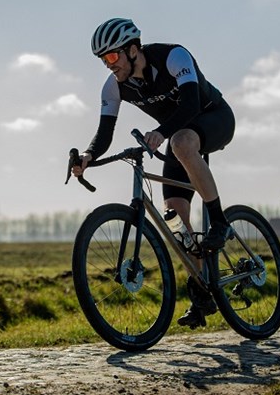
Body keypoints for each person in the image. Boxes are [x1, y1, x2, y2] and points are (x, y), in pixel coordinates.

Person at [72, 17, 235, 328]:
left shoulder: (173, 57)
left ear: (133, 50)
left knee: (181, 140)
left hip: (214, 118)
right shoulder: (114, 86)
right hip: (177, 138)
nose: (108, 66)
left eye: (111, 56)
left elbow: (190, 106)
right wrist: (87, 156)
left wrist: (160, 131)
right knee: (175, 220)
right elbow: (104, 133)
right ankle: (203, 292)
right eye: (102, 60)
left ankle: (220, 221)